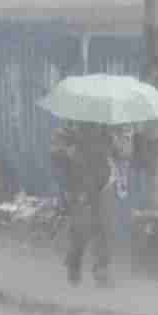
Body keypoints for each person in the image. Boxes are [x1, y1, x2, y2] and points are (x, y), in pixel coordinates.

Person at [50, 120, 132, 286]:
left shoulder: (115, 121)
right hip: (80, 179)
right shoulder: (74, 118)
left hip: (105, 179)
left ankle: (102, 270)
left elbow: (126, 151)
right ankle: (74, 261)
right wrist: (67, 150)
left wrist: (116, 143)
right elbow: (56, 147)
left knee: (104, 226)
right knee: (81, 226)